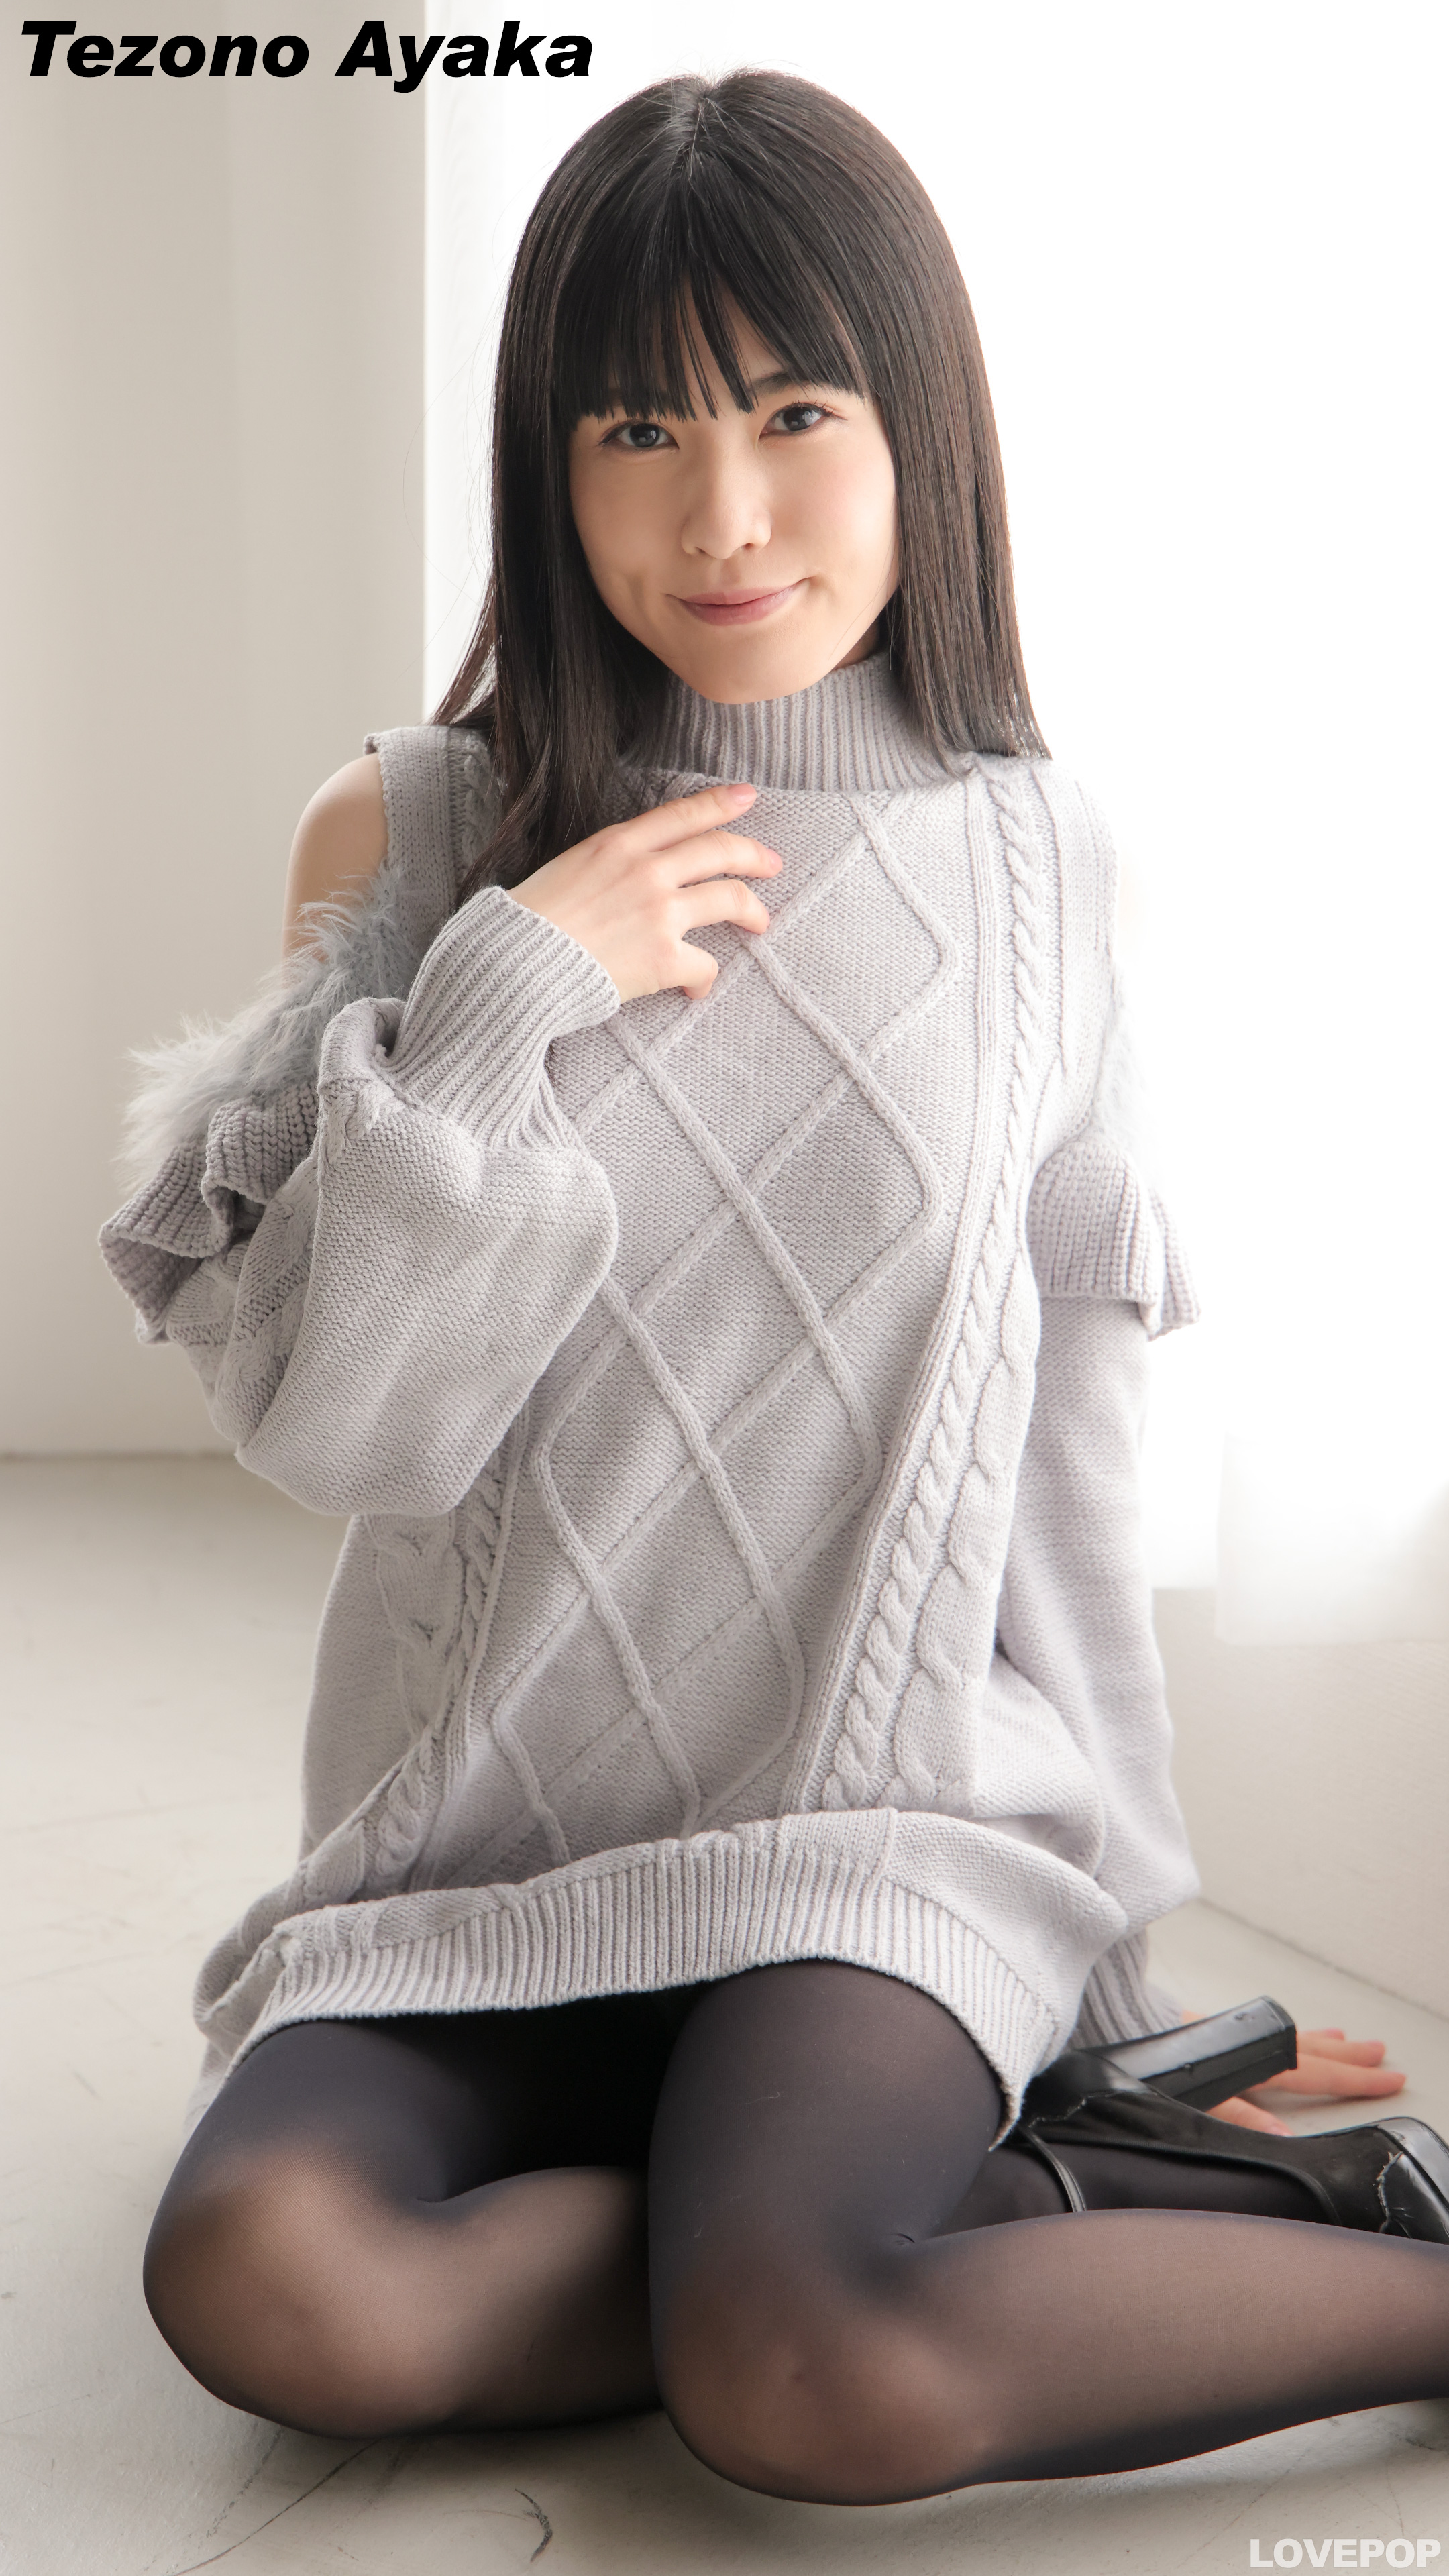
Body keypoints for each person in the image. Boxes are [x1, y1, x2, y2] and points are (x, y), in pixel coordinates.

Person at [101, 70, 1449, 2504]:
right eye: (638, 428)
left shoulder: (1041, 869)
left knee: (804, 2368)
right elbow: (345, 1437)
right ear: (550, 463)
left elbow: (1063, 1454)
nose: (721, 513)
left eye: (795, 414)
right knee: (267, 2280)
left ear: (920, 426)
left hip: (878, 1841)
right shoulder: (411, 826)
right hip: (483, 1844)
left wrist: (1106, 1982)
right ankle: (1026, 2218)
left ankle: (1305, 2263)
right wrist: (502, 998)